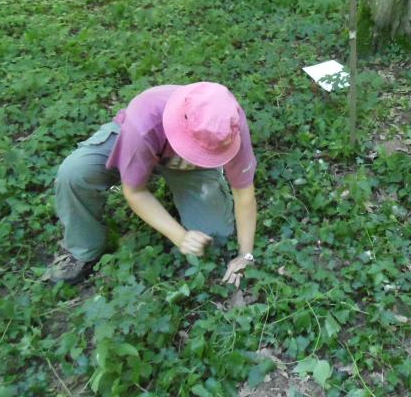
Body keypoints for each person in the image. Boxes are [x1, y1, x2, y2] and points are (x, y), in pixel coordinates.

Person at [49, 82, 257, 286]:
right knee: (75, 173)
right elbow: (135, 192)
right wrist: (181, 237)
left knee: (215, 236)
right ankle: (83, 249)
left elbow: (244, 193)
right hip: (139, 140)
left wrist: (245, 255)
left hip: (186, 166)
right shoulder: (144, 120)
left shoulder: (229, 124)